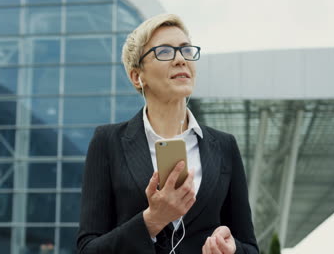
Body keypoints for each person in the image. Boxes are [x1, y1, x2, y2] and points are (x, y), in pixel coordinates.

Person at [77, 13, 258, 254]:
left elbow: (250, 248)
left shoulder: (224, 146)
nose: (181, 59)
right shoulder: (108, 142)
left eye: (185, 50)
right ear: (137, 76)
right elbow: (88, 249)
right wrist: (152, 220)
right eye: (164, 52)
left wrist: (233, 249)